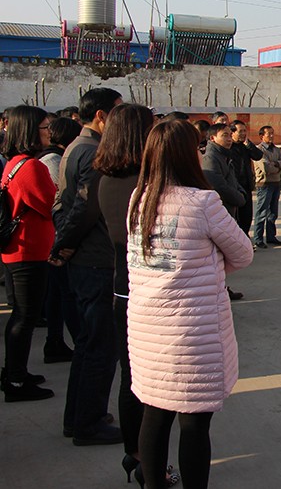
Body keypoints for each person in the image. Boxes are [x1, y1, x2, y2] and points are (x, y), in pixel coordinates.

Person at [127, 119, 253, 489]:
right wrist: (208, 266)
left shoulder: (139, 199)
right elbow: (243, 253)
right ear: (188, 155)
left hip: (147, 328)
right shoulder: (202, 202)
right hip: (191, 330)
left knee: (155, 413)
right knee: (194, 421)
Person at [93, 104, 177, 486]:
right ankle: (152, 464)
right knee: (156, 389)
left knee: (132, 379)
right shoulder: (148, 185)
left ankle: (136, 455)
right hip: (151, 290)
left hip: (123, 288)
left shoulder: (105, 180)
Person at [52, 86, 123, 445]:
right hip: (95, 260)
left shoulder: (74, 147)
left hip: (85, 259)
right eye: (117, 112)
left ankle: (77, 417)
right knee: (100, 346)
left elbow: (63, 205)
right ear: (101, 117)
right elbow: (83, 209)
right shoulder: (95, 153)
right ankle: (88, 423)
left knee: (87, 343)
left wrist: (64, 244)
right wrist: (64, 244)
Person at [0, 106, 57, 402]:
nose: (49, 132)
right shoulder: (32, 167)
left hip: (21, 249)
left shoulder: (16, 163)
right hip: (28, 250)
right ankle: (16, 379)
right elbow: (49, 204)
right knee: (25, 316)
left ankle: (15, 371)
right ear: (30, 131)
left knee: (22, 315)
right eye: (45, 127)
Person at [36, 116, 82, 364]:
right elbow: (58, 201)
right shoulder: (53, 161)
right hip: (57, 237)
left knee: (56, 294)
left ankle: (55, 341)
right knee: (66, 294)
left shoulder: (51, 158)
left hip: (53, 237)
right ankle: (77, 341)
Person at [252, 125, 281, 249]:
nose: (272, 136)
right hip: (264, 184)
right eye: (269, 134)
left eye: (273, 133)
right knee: (262, 212)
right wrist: (278, 167)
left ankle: (271, 236)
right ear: (262, 136)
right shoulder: (258, 151)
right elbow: (266, 167)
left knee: (273, 213)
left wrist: (276, 163)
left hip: (276, 183)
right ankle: (258, 238)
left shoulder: (276, 150)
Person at [201, 123, 245, 218]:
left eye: (230, 135)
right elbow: (218, 186)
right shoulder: (210, 158)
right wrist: (239, 198)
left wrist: (241, 192)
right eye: (225, 135)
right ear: (212, 138)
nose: (229, 139)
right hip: (218, 212)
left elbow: (232, 180)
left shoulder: (224, 155)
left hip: (228, 209)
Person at [229, 120, 262, 236]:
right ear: (232, 133)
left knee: (247, 216)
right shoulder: (228, 147)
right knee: (235, 216)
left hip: (246, 186)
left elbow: (258, 155)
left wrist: (249, 145)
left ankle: (245, 236)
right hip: (234, 187)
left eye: (244, 131)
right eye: (240, 131)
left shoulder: (246, 146)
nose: (243, 134)